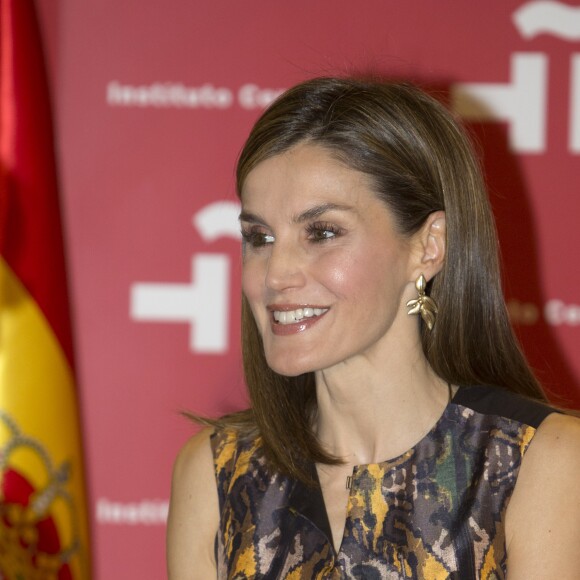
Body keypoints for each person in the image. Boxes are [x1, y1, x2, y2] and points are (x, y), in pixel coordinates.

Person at [166, 77, 580, 579]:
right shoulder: (217, 471)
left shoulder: (542, 462)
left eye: (322, 232)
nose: (274, 274)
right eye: (260, 237)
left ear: (428, 247)